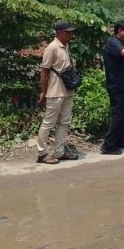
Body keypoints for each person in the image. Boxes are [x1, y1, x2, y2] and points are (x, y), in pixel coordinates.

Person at [36, 20, 79, 164]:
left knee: (64, 122)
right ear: (58, 32)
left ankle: (59, 151)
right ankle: (41, 153)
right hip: (55, 91)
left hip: (67, 90)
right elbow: (44, 71)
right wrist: (43, 92)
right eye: (67, 32)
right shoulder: (52, 47)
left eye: (71, 32)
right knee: (48, 122)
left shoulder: (65, 46)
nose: (70, 35)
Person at [100, 20, 124, 155]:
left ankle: (119, 140)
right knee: (118, 115)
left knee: (121, 115)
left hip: (122, 86)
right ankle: (108, 145)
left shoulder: (118, 43)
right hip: (116, 86)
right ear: (120, 31)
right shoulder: (113, 42)